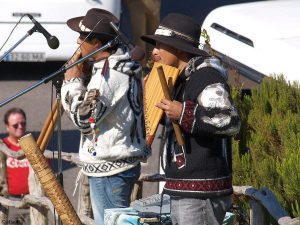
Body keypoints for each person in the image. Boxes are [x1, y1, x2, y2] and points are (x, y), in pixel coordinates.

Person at [141, 13, 241, 225]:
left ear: (178, 48)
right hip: (183, 188)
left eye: (160, 45)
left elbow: (230, 122)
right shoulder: (178, 79)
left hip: (201, 193)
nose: (154, 51)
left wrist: (184, 112)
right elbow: (177, 125)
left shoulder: (206, 77)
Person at [61, 8, 147, 225]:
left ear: (97, 44)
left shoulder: (108, 75)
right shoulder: (118, 66)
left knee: (111, 222)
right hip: (115, 167)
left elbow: (86, 119)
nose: (78, 41)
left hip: (111, 170)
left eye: (83, 37)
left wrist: (71, 83)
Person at [1, 107, 30, 223]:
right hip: (10, 202)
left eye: (23, 123)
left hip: (33, 200)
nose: (20, 127)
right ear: (7, 126)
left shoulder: (34, 145)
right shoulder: (2, 147)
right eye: (15, 125)